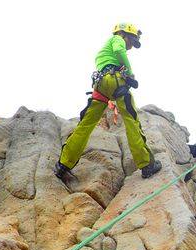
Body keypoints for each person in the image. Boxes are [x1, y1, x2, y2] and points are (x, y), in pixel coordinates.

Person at [54, 23, 162, 184]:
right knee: (131, 121)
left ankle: (63, 165)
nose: (131, 46)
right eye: (131, 40)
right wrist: (130, 73)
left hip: (100, 85)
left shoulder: (105, 50)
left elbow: (113, 56)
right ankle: (147, 165)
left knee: (85, 124)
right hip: (116, 82)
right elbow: (119, 50)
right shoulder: (117, 39)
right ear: (124, 34)